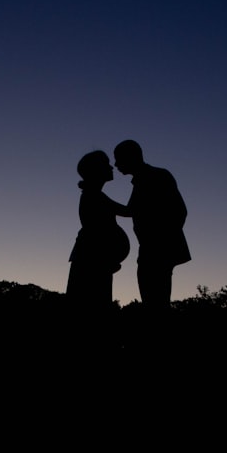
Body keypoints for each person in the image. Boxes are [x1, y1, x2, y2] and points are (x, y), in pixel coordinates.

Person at [113, 139, 191, 311]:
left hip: (157, 251)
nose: (116, 164)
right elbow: (131, 210)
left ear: (131, 157)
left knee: (156, 304)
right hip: (152, 250)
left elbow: (180, 211)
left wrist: (160, 242)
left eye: (118, 159)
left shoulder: (156, 176)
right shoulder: (145, 178)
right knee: (155, 302)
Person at [66, 150, 131, 324]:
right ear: (96, 170)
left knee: (92, 308)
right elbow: (128, 211)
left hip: (95, 260)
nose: (111, 167)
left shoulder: (95, 195)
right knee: (92, 310)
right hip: (92, 261)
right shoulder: (94, 196)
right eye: (106, 164)